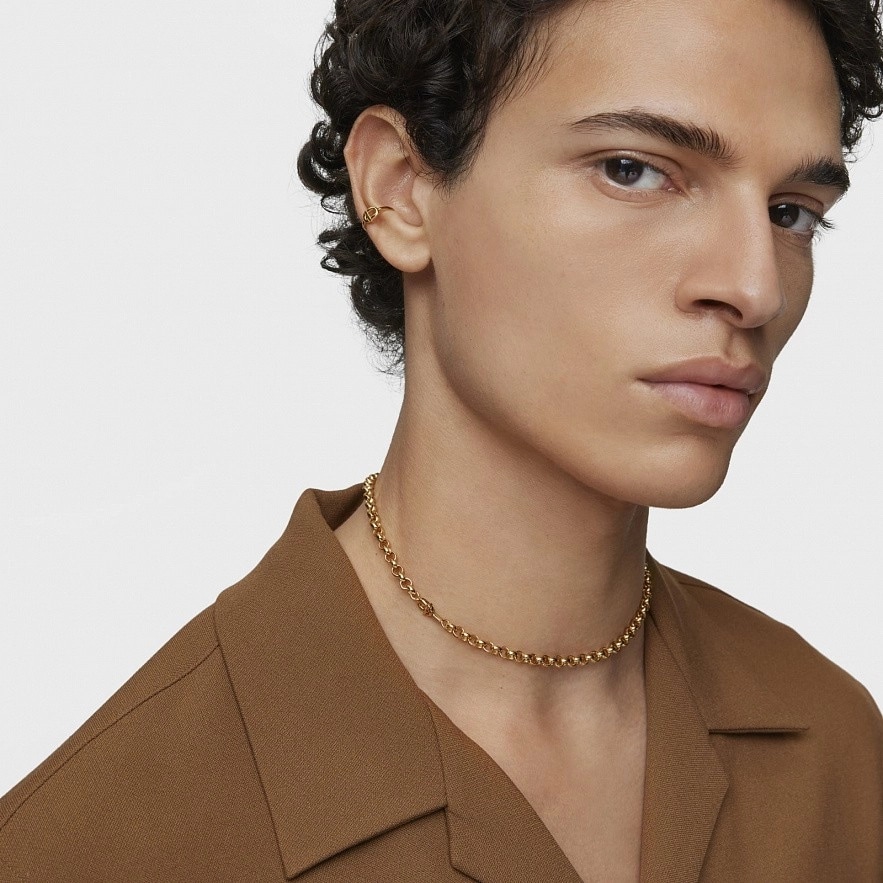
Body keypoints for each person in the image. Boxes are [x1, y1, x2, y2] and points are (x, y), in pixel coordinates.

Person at [2, 0, 883, 879]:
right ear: (398, 188)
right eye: (632, 170)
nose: (753, 287)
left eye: (791, 212)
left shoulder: (838, 752)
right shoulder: (101, 840)